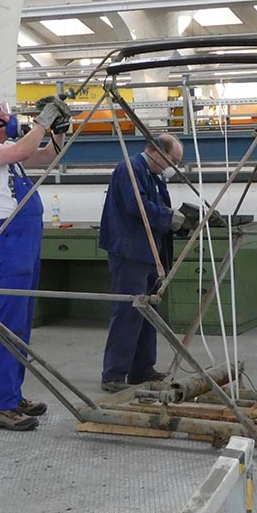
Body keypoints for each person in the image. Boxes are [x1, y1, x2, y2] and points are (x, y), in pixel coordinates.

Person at [0, 96, 71, 430]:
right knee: (6, 329)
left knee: (22, 328)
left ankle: (15, 394)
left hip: (25, 244)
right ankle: (3, 407)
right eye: (6, 111)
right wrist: (42, 120)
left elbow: (48, 155)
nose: (12, 116)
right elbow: (24, 150)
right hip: (7, 246)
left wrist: (59, 131)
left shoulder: (11, 148)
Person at [98, 133, 185, 393]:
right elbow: (137, 205)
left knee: (149, 313)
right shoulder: (130, 169)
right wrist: (168, 217)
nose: (172, 167)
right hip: (130, 253)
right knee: (128, 312)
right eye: (172, 160)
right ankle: (113, 374)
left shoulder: (153, 173)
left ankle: (142, 369)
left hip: (149, 254)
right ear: (157, 152)